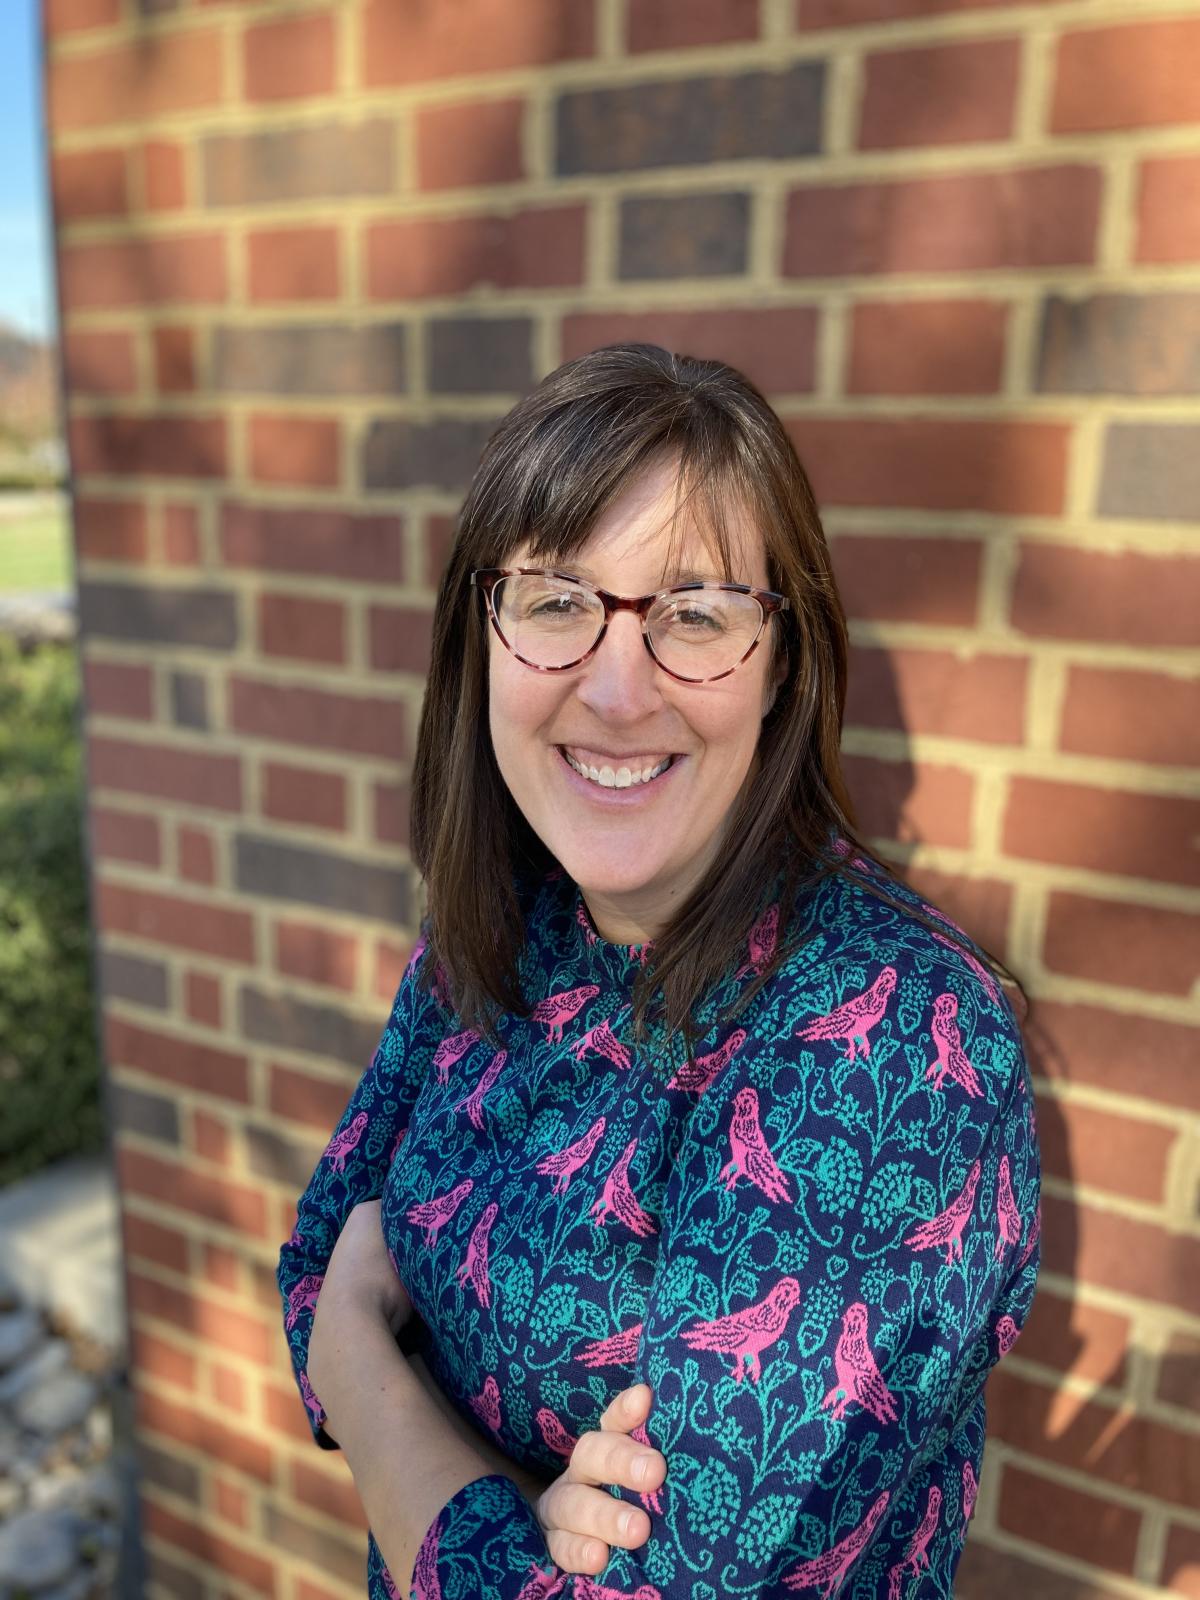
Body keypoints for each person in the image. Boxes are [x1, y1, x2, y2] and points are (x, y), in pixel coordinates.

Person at [277, 343, 1041, 1600]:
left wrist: (368, 1367)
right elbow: (313, 1256)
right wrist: (519, 1505)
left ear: (783, 659)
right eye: (557, 600)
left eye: (695, 614)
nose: (618, 687)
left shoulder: (895, 1045)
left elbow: (341, 1309)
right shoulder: (495, 929)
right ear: (484, 639)